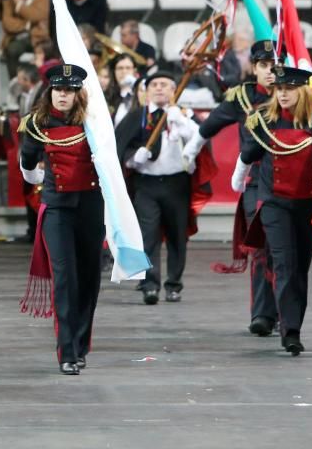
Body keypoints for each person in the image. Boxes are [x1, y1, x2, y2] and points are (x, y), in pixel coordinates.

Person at [182, 40, 279, 336]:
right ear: (253, 67)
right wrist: (191, 150)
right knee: (262, 247)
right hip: (255, 181)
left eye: (275, 65)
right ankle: (263, 314)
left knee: (287, 253)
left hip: (289, 183)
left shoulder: (297, 95)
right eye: (264, 65)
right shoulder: (242, 98)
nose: (270, 72)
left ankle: (286, 314)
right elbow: (211, 124)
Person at [19, 64, 103, 374]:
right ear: (50, 91)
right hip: (57, 209)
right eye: (58, 89)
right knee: (65, 279)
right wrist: (42, 179)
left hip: (91, 207)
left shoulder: (94, 124)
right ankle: (66, 351)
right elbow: (27, 167)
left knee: (89, 278)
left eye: (69, 90)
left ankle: (80, 345)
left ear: (78, 93)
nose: (63, 95)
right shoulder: (37, 124)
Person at [234, 66, 312, 356]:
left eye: (290, 89)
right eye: (280, 88)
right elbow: (247, 156)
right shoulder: (264, 121)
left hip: (308, 205)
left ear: (303, 91)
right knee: (283, 264)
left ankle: (292, 323)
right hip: (274, 204)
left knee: (299, 269)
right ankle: (290, 332)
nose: (283, 93)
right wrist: (238, 182)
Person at [116, 71, 198, 304]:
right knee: (147, 235)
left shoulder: (184, 115)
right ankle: (149, 284)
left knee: (176, 236)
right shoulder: (137, 116)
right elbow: (119, 145)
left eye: (165, 84)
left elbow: (200, 139)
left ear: (174, 91)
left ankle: (174, 285)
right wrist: (133, 157)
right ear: (147, 90)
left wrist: (181, 122)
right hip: (146, 184)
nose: (159, 88)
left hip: (177, 183)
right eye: (154, 85)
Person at [2, 0, 50, 78]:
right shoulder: (8, 2)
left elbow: (38, 16)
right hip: (17, 38)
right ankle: (15, 82)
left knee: (49, 50)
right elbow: (8, 25)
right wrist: (28, 24)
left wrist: (20, 6)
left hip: (39, 38)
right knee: (12, 50)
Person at [107, 52, 139, 125]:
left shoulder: (140, 94)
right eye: (120, 68)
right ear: (114, 71)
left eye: (128, 68)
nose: (124, 71)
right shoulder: (108, 95)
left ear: (134, 71)